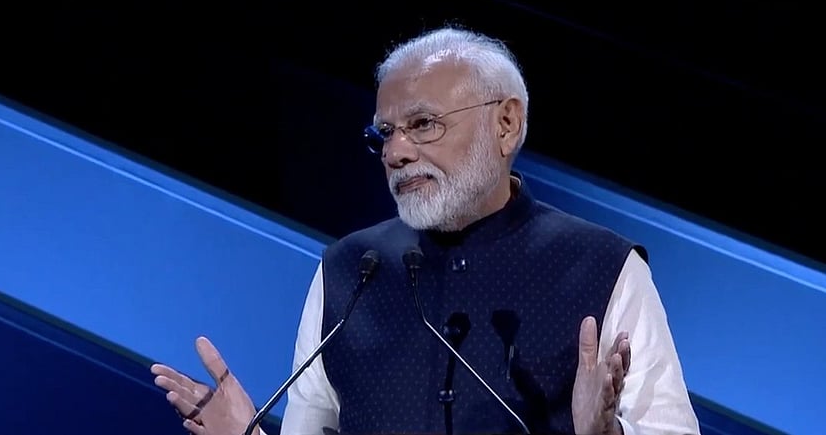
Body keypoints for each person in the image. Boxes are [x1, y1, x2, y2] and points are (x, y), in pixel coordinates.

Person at [150, 27, 701, 435]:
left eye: (422, 125)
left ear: (506, 124)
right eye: (383, 134)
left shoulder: (602, 268)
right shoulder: (350, 270)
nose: (395, 152)